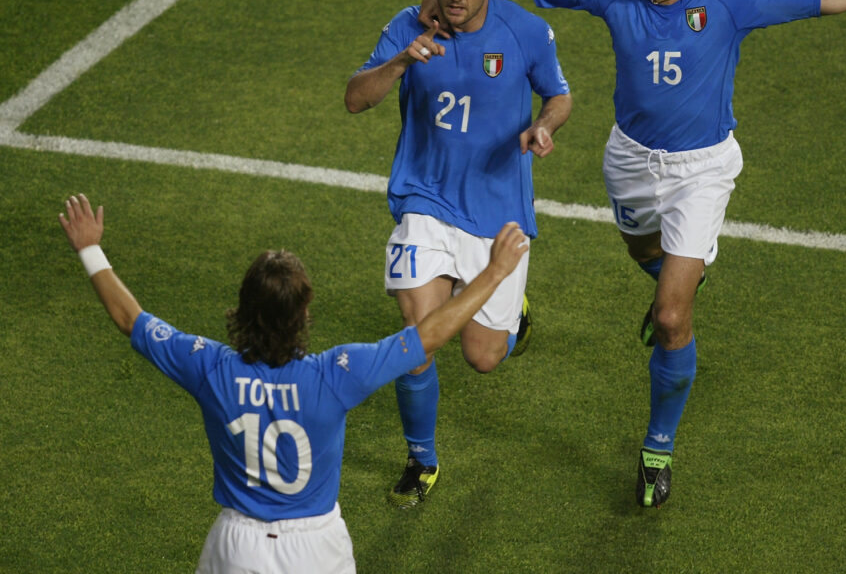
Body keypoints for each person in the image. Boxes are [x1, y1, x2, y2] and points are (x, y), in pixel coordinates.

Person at [420, 0, 846, 508]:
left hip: (702, 171)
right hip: (632, 163)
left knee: (670, 316)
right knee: (648, 258)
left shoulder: (728, 1)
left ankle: (658, 443)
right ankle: (664, 288)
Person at [59, 193, 529, 573]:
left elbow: (130, 318)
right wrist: (494, 273)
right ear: (303, 314)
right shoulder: (337, 373)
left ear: (242, 310)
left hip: (236, 547)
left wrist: (89, 247)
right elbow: (429, 335)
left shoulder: (208, 367)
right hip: (317, 550)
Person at [345, 0, 572, 508]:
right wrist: (401, 60)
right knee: (415, 344)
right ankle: (422, 459)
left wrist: (544, 126)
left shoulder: (525, 32)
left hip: (497, 215)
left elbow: (559, 95)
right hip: (425, 201)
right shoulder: (410, 26)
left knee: (482, 358)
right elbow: (354, 98)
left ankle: (512, 311)